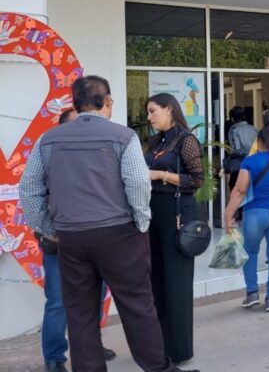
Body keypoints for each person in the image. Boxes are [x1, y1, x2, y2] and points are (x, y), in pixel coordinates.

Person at [19, 76, 194, 372]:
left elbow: (28, 189)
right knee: (138, 306)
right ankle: (157, 367)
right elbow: (139, 184)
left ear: (76, 103)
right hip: (119, 235)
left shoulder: (48, 140)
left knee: (80, 313)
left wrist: (49, 229)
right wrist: (141, 223)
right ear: (108, 102)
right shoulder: (123, 137)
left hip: (71, 238)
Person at [35, 109, 117, 372]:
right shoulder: (47, 154)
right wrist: (48, 230)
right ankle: (54, 358)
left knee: (95, 297)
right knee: (59, 301)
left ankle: (90, 347)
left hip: (97, 241)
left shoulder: (98, 156)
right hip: (60, 243)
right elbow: (31, 193)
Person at [145, 93, 205, 365]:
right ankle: (159, 344)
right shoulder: (157, 141)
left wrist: (160, 175)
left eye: (153, 111)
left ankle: (179, 349)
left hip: (178, 215)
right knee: (157, 280)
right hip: (154, 215)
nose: (149, 117)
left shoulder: (185, 140)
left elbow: (197, 180)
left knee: (176, 284)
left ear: (169, 109)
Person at [225, 126, 269, 312]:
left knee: (250, 252)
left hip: (255, 213)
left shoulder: (249, 162)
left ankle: (252, 294)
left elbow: (240, 191)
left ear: (259, 142)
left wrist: (229, 213)